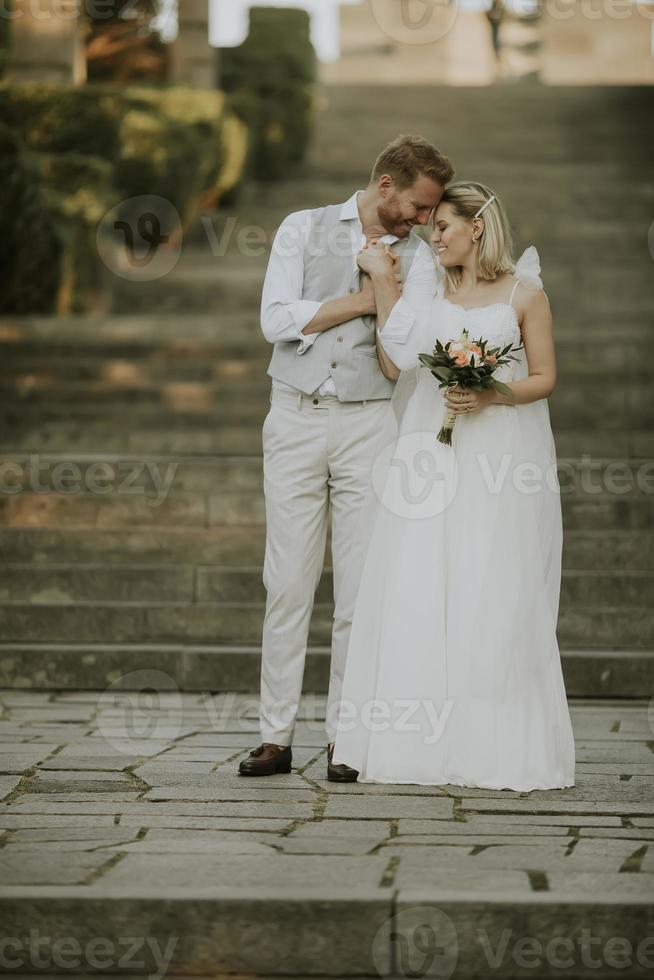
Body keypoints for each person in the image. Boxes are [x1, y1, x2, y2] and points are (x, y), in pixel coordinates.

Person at [331, 181, 576, 791]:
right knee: (418, 575)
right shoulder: (429, 285)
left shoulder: (526, 294)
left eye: (443, 225)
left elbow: (543, 377)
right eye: (432, 224)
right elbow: (401, 357)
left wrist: (494, 391)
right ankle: (410, 741)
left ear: (477, 227)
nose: (432, 235)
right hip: (427, 447)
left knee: (489, 576)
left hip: (497, 452)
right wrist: (386, 281)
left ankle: (491, 740)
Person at [239, 136, 455, 779]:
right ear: (385, 185)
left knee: (360, 592)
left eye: (431, 211)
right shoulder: (300, 229)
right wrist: (363, 300)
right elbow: (274, 319)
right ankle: (274, 736)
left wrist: (380, 294)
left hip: (370, 424)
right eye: (417, 206)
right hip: (295, 418)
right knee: (287, 583)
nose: (422, 220)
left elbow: (404, 346)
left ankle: (347, 739)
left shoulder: (420, 260)